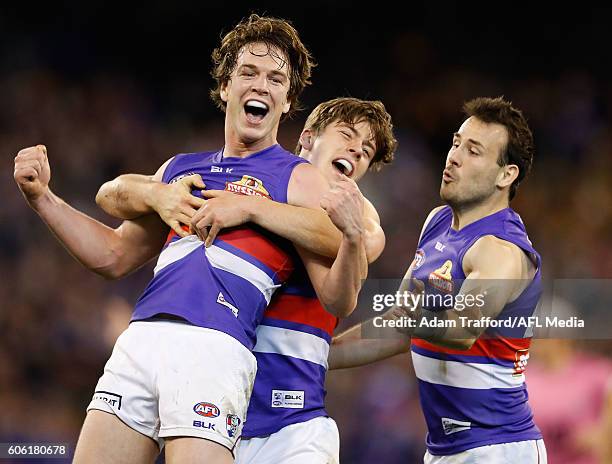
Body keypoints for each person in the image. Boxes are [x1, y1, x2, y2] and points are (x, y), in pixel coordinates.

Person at [13, 14, 361, 464]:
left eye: (276, 79)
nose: (261, 86)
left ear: (287, 100)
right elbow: (112, 254)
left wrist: (251, 207)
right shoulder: (180, 169)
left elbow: (342, 244)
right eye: (248, 73)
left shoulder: (298, 177)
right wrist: (43, 199)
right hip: (140, 339)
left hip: (215, 347)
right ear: (225, 87)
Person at [98, 96, 396, 464]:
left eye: (366, 151)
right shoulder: (249, 181)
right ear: (306, 138)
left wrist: (254, 209)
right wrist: (154, 193)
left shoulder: (352, 214)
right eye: (347, 136)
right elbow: (115, 239)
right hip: (219, 410)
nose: (356, 151)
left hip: (294, 422)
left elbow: (367, 244)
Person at [330, 97, 548, 463]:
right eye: (456, 143)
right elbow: (397, 327)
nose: (454, 156)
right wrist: (316, 355)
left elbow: (460, 331)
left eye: (474, 151)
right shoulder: (437, 222)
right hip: (444, 449)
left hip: (497, 448)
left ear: (505, 175)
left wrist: (406, 314)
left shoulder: (501, 249)